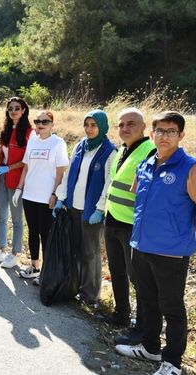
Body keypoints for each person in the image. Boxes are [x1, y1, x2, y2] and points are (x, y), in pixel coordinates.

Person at [115, 111, 196, 375]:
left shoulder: (190, 168)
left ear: (181, 136)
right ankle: (150, 347)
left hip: (171, 252)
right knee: (147, 300)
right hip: (140, 245)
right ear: (152, 134)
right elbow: (138, 197)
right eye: (160, 131)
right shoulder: (147, 163)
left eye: (171, 131)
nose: (164, 136)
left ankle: (172, 362)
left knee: (171, 308)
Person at [101, 108, 156, 345]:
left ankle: (141, 329)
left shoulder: (150, 150)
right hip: (113, 218)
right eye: (121, 124)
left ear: (144, 127)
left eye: (131, 124)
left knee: (139, 279)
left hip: (132, 224)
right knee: (117, 271)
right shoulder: (122, 149)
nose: (125, 128)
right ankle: (121, 315)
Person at [54, 109, 116, 305]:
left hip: (91, 210)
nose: (89, 129)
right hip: (73, 206)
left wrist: (100, 209)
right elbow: (69, 173)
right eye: (86, 125)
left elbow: (109, 183)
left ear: (103, 126)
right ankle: (74, 286)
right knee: (74, 249)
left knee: (90, 252)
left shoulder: (109, 151)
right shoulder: (81, 146)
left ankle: (91, 294)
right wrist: (60, 197)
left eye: (94, 125)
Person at [14, 110, 68, 283]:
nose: (41, 125)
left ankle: (46, 271)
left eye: (45, 122)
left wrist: (55, 194)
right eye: (38, 121)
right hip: (29, 194)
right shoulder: (32, 141)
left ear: (52, 124)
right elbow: (26, 167)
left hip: (46, 197)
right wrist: (19, 188)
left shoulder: (58, 143)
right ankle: (35, 266)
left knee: (46, 234)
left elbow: (60, 171)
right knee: (32, 231)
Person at [0, 97, 33, 269]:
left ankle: (14, 253)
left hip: (16, 179)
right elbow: (2, 153)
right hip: (1, 178)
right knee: (1, 216)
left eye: (17, 108)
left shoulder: (29, 132)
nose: (13, 111)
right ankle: (0, 249)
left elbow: (27, 160)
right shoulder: (4, 130)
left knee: (17, 219)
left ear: (23, 111)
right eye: (10, 108)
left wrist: (9, 168)